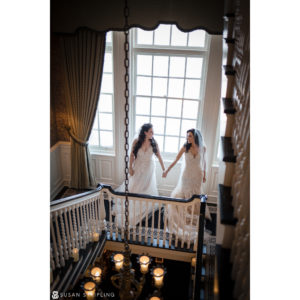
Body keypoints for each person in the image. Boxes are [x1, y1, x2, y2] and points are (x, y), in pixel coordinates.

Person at [162, 128, 211, 240]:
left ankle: (194, 213)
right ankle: (184, 214)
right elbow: (175, 159)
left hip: (197, 176)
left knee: (196, 195)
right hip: (186, 176)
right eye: (187, 136)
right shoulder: (185, 147)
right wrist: (166, 171)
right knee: (184, 194)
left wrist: (204, 174)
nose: (187, 138)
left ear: (195, 137)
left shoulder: (203, 147)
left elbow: (204, 162)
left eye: (189, 136)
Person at [113, 123, 165, 226]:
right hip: (138, 167)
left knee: (146, 187)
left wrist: (164, 169)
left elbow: (159, 156)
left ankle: (145, 202)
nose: (153, 133)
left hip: (149, 169)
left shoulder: (154, 142)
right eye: (151, 131)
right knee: (136, 185)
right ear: (145, 132)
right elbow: (132, 155)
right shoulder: (137, 141)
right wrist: (130, 168)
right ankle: (132, 202)